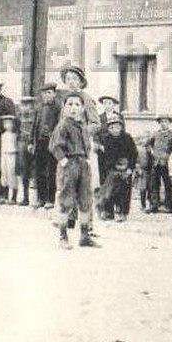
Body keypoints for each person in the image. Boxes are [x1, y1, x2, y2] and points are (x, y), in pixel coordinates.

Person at [50, 92, 97, 249]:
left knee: (85, 200)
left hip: (83, 164)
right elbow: (55, 146)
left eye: (77, 105)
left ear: (82, 108)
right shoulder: (63, 125)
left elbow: (87, 144)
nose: (73, 108)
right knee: (66, 200)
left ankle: (84, 236)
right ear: (64, 108)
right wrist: (64, 161)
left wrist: (87, 159)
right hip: (69, 165)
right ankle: (63, 237)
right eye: (70, 104)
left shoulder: (83, 126)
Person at [97, 112, 138, 222]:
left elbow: (134, 154)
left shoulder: (127, 138)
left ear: (121, 127)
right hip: (111, 170)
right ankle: (109, 212)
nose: (114, 129)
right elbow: (102, 158)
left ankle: (122, 212)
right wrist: (104, 172)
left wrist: (130, 168)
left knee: (124, 191)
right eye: (111, 127)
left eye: (117, 126)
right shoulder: (106, 139)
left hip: (125, 169)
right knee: (109, 190)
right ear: (108, 129)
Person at [31, 83, 60, 209]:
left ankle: (50, 199)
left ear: (54, 94)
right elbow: (34, 126)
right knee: (39, 171)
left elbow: (60, 126)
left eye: (49, 93)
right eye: (44, 93)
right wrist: (31, 142)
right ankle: (40, 198)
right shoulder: (39, 108)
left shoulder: (58, 108)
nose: (47, 95)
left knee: (50, 172)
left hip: (51, 143)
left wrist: (53, 135)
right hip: (40, 143)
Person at [145, 113, 172, 213]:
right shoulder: (155, 134)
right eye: (161, 122)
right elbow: (147, 144)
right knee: (154, 184)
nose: (163, 123)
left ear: (169, 123)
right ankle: (154, 205)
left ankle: (169, 206)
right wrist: (151, 151)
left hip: (167, 163)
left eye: (166, 122)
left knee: (168, 184)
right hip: (156, 162)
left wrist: (171, 156)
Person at [16, 96, 36, 206]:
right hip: (22, 144)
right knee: (24, 171)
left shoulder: (35, 117)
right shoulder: (19, 118)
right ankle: (25, 197)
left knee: (36, 171)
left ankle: (37, 199)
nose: (26, 107)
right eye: (24, 105)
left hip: (34, 144)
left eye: (29, 105)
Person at [0, 115, 20, 205]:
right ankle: (5, 196)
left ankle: (13, 197)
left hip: (12, 155)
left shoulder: (15, 135)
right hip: (4, 155)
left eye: (10, 123)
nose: (7, 125)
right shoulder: (3, 135)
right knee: (4, 174)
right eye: (6, 123)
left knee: (12, 174)